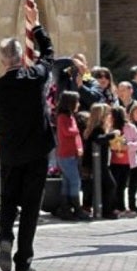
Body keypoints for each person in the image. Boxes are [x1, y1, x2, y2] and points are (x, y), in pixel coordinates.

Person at [0, 3, 54, 271]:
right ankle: (23, 258)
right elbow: (49, 56)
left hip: (11, 152)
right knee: (29, 207)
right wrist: (36, 25)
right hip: (36, 150)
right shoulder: (34, 77)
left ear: (4, 60)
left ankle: (5, 235)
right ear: (20, 58)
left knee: (7, 200)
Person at [53, 91, 83, 221]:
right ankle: (76, 207)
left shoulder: (70, 116)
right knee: (75, 181)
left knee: (67, 182)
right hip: (66, 154)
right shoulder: (62, 117)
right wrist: (78, 129)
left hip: (71, 153)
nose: (78, 104)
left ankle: (65, 207)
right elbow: (68, 132)